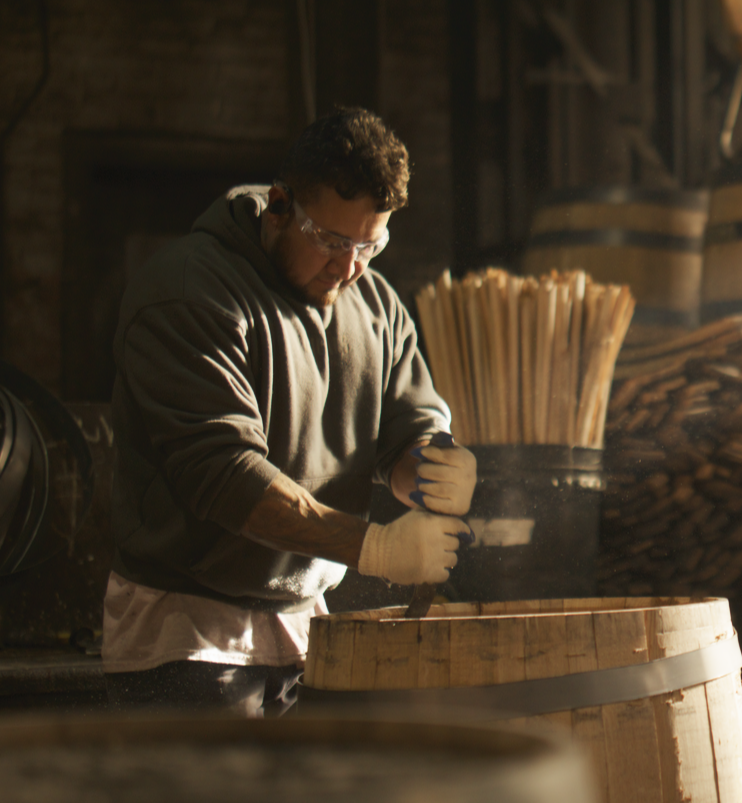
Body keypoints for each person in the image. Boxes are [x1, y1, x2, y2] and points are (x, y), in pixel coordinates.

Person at [101, 107, 475, 716]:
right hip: (187, 638)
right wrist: (376, 549)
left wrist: (430, 463)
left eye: (369, 244)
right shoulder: (189, 291)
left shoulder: (373, 302)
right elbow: (223, 478)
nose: (348, 266)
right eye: (330, 240)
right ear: (278, 206)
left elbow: (406, 428)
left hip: (307, 631)